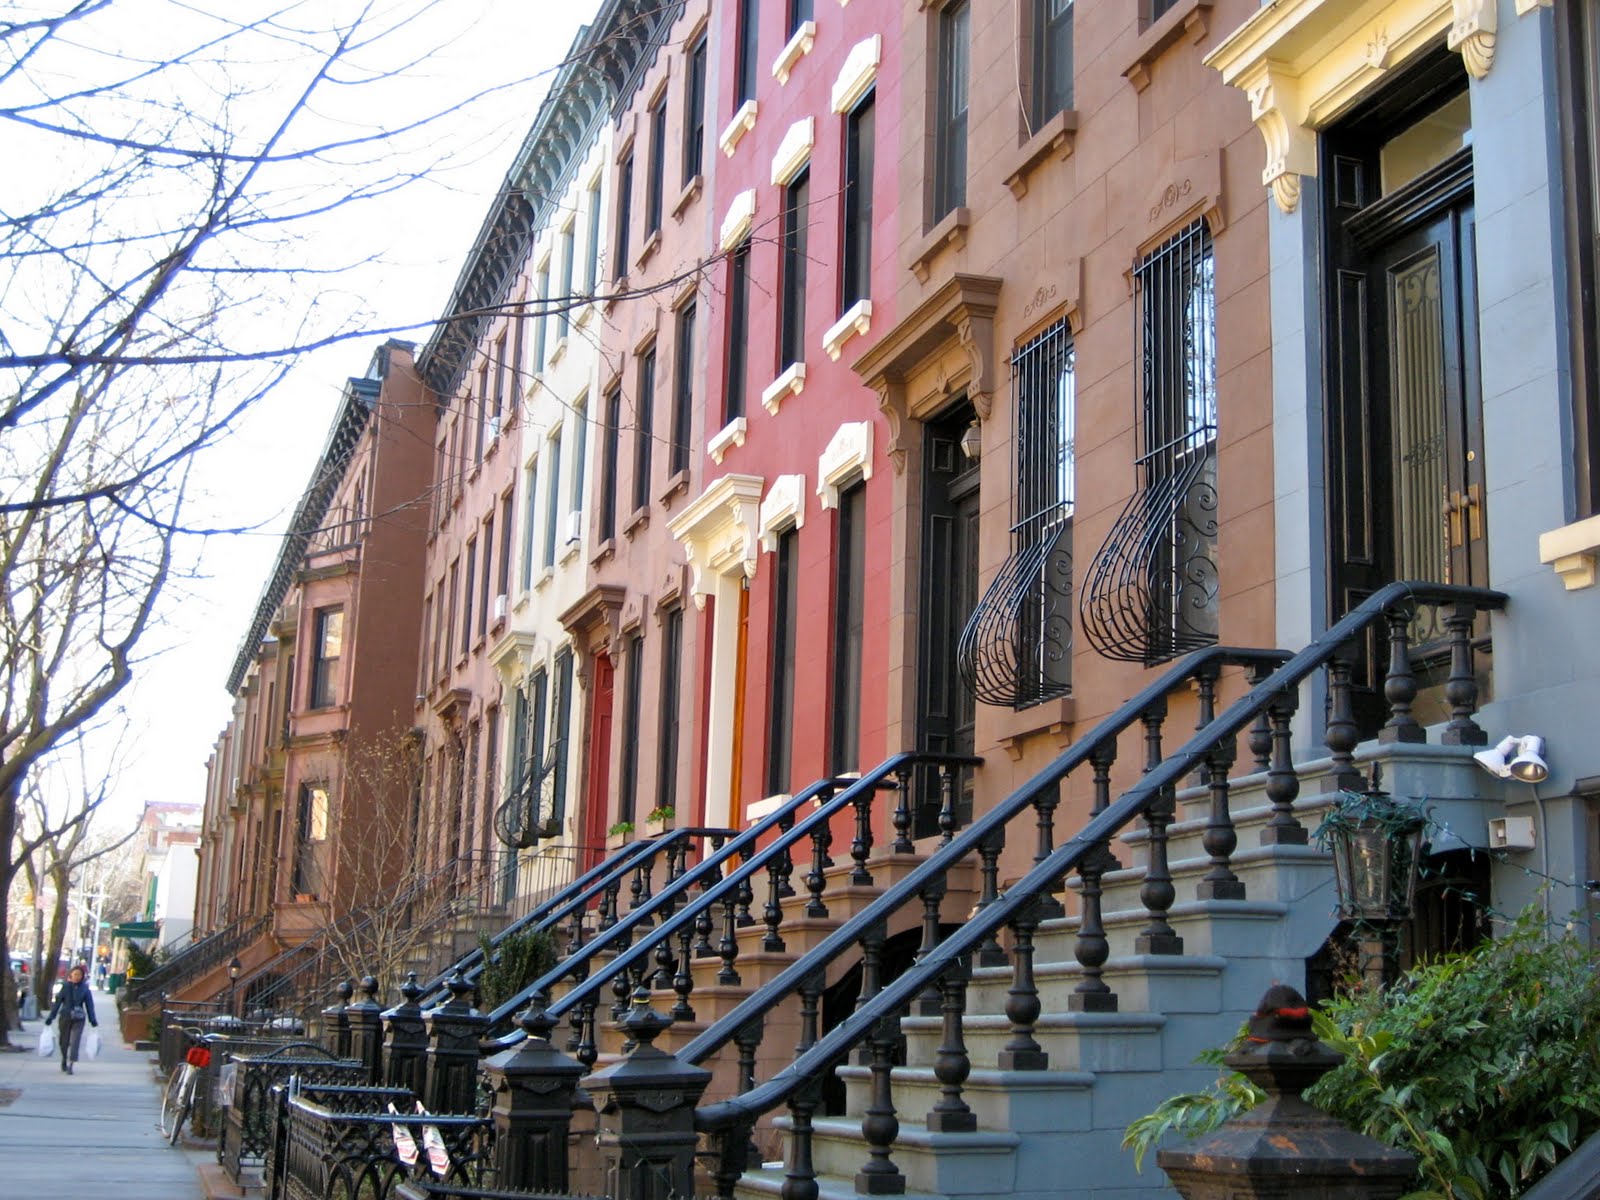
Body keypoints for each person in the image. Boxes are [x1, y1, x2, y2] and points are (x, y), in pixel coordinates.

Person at [45, 964, 97, 1074]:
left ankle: (71, 1063)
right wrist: (51, 1017)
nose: (77, 977)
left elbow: (89, 1005)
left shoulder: (85, 989)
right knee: (64, 1041)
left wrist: (93, 1020)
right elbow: (58, 1003)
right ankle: (64, 1058)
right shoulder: (65, 987)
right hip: (65, 1017)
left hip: (79, 1019)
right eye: (75, 974)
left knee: (75, 1041)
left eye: (80, 975)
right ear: (71, 975)